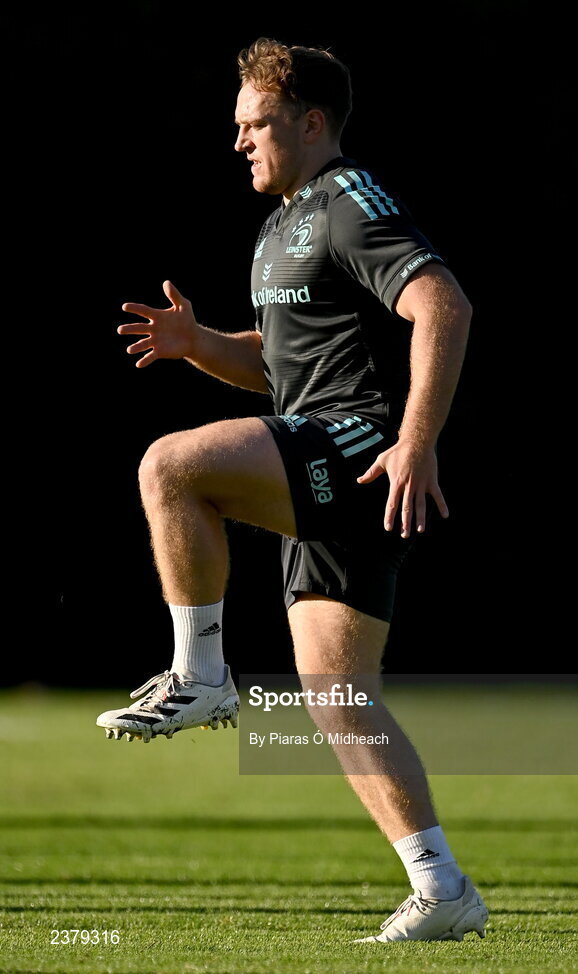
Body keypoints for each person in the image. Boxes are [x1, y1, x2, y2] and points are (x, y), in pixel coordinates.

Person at [97, 37, 488, 943]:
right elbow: (281, 374)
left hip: (354, 449)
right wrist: (201, 346)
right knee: (338, 697)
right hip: (323, 447)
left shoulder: (344, 202)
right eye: (236, 125)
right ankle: (442, 887)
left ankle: (202, 676)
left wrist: (416, 443)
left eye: (257, 123)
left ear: (312, 124)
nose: (239, 140)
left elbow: (444, 304)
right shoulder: (280, 225)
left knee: (170, 466)